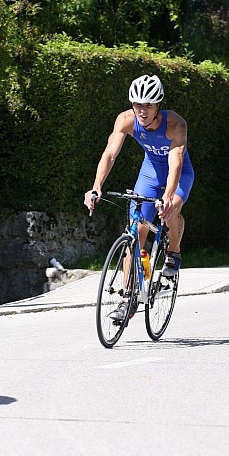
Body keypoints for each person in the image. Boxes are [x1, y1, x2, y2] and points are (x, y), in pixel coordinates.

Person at [84, 74, 194, 318]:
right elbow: (110, 154)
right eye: (138, 105)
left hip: (179, 175)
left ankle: (173, 253)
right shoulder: (125, 120)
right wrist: (96, 186)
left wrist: (167, 196)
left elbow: (175, 163)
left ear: (158, 106)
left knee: (170, 211)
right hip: (150, 174)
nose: (142, 111)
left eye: (148, 105)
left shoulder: (176, 124)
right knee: (135, 231)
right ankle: (128, 296)